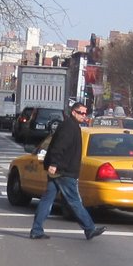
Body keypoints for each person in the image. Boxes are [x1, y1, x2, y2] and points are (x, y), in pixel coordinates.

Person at [29, 101, 106, 241]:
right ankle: (89, 228)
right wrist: (54, 163)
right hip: (64, 171)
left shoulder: (72, 126)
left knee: (47, 199)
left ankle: (36, 229)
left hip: (60, 169)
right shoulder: (69, 127)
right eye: (81, 113)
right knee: (74, 201)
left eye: (85, 113)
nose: (84, 116)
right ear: (73, 112)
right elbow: (59, 147)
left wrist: (54, 164)